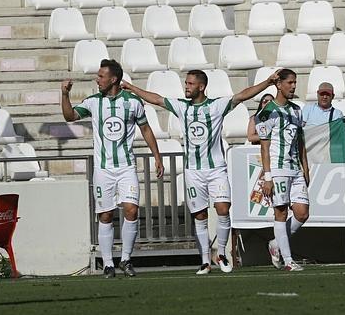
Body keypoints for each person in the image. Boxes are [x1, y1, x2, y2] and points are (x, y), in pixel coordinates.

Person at [122, 70, 278, 275]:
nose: (186, 86)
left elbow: (242, 95)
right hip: (193, 172)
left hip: (216, 169)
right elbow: (157, 99)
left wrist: (267, 82)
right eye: (186, 83)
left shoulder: (216, 106)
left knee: (223, 208)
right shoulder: (182, 107)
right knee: (200, 215)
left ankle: (221, 252)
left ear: (201, 87)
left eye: (190, 84)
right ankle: (205, 260)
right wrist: (132, 87)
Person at [61, 59, 164, 279]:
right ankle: (108, 264)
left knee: (131, 209)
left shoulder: (133, 102)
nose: (97, 80)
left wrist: (157, 156)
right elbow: (69, 116)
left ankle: (126, 259)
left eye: (101, 76)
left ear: (113, 79)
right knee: (105, 215)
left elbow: (145, 129)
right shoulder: (93, 102)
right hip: (103, 169)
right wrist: (64, 95)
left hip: (126, 166)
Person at [256, 69, 310, 272]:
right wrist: (267, 176)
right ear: (279, 85)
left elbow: (300, 141)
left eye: (295, 82)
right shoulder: (267, 112)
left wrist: (305, 167)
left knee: (302, 213)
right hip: (278, 169)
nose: (293, 86)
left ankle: (275, 244)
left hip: (295, 168)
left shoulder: (297, 110)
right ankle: (288, 261)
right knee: (280, 211)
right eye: (290, 82)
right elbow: (264, 146)